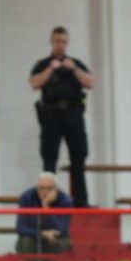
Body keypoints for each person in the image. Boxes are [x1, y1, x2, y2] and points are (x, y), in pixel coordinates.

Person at [29, 26, 93, 208]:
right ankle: (49, 201)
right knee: (49, 159)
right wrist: (51, 68)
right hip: (51, 115)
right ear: (51, 41)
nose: (60, 45)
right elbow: (34, 83)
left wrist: (73, 69)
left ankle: (81, 201)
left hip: (73, 114)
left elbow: (90, 82)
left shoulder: (75, 63)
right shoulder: (43, 64)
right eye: (57, 41)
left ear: (67, 43)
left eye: (63, 41)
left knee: (78, 158)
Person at [15, 172, 73, 254]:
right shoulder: (26, 197)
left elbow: (62, 231)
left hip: (54, 238)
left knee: (64, 243)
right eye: (41, 188)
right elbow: (20, 228)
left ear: (56, 189)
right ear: (36, 187)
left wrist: (46, 207)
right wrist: (42, 233)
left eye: (49, 188)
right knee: (25, 242)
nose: (44, 192)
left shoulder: (66, 201)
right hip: (34, 237)